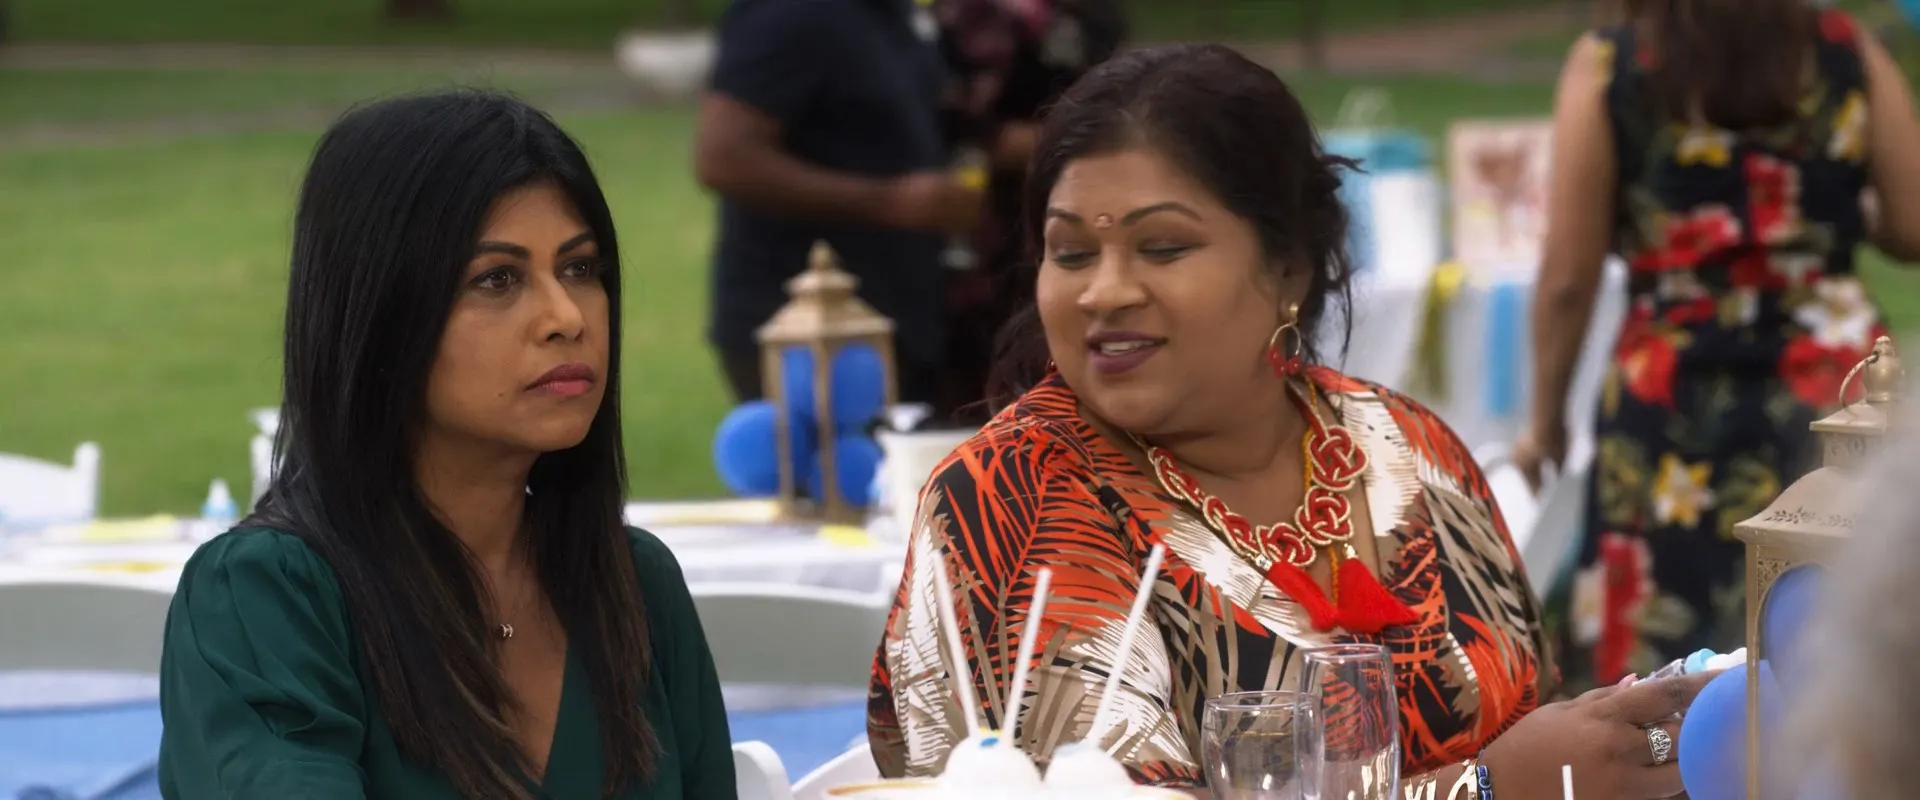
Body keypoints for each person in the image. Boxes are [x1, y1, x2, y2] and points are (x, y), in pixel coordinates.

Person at [867, 44, 1718, 800]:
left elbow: (1530, 718)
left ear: (1288, 269)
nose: (1105, 291)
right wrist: (1481, 791)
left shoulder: (1405, 446)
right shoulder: (1013, 502)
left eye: (1162, 248)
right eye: (1072, 253)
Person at [156, 92, 734, 799]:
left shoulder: (633, 582)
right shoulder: (266, 598)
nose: (565, 317)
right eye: (498, 279)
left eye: (581, 269)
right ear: (381, 313)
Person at [1515, 0, 1920, 685]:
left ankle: (1664, 751)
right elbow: (1911, 224)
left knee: (1659, 648)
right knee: (1838, 627)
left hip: (1671, 395)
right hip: (1833, 388)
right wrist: (1832, 213)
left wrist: (1545, 425)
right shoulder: (1846, 50)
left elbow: (1566, 282)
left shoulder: (1610, 64)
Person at [694, 0, 983, 408]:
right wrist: (889, 201)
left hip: (897, 314)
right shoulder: (786, 13)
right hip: (803, 328)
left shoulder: (893, 13)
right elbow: (724, 156)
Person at [932, 0, 1128, 421]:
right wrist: (1090, 143)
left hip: (1092, 206)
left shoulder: (1090, 15)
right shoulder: (978, 17)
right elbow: (961, 126)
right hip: (996, 233)